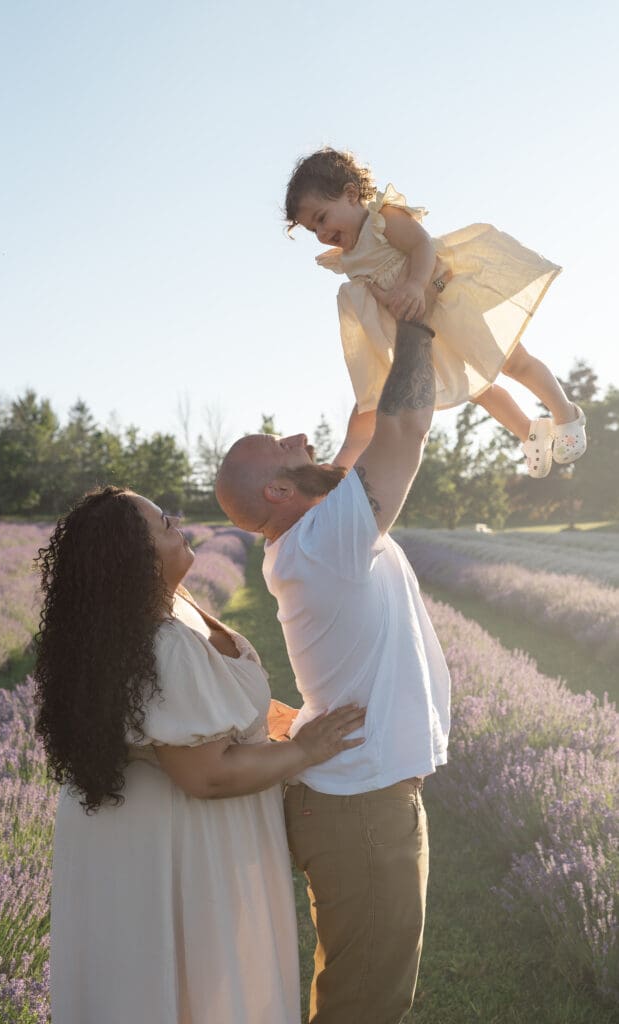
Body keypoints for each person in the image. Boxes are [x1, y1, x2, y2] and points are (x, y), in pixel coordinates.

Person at [34, 485, 365, 1024]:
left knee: (163, 987)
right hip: (173, 839)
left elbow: (195, 711)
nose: (176, 521)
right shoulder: (160, 641)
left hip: (146, 833)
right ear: (131, 557)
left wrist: (262, 721)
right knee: (189, 989)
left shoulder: (168, 612)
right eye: (161, 522)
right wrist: (306, 750)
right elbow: (206, 774)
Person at [215, 309, 451, 1023]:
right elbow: (402, 427)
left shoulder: (313, 529)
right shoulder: (323, 539)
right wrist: (419, 319)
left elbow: (367, 417)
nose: (294, 435)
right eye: (278, 446)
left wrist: (376, 313)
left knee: (364, 990)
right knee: (365, 1004)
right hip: (362, 806)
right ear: (276, 496)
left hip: (360, 797)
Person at [283, 146, 586, 479]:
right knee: (475, 389)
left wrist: (415, 284)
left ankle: (565, 413)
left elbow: (422, 246)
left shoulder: (382, 221)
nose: (322, 235)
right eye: (314, 231)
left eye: (322, 218)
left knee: (513, 361)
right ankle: (528, 431)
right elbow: (374, 295)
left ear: (351, 195)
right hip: (418, 327)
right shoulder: (347, 257)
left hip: (449, 305)